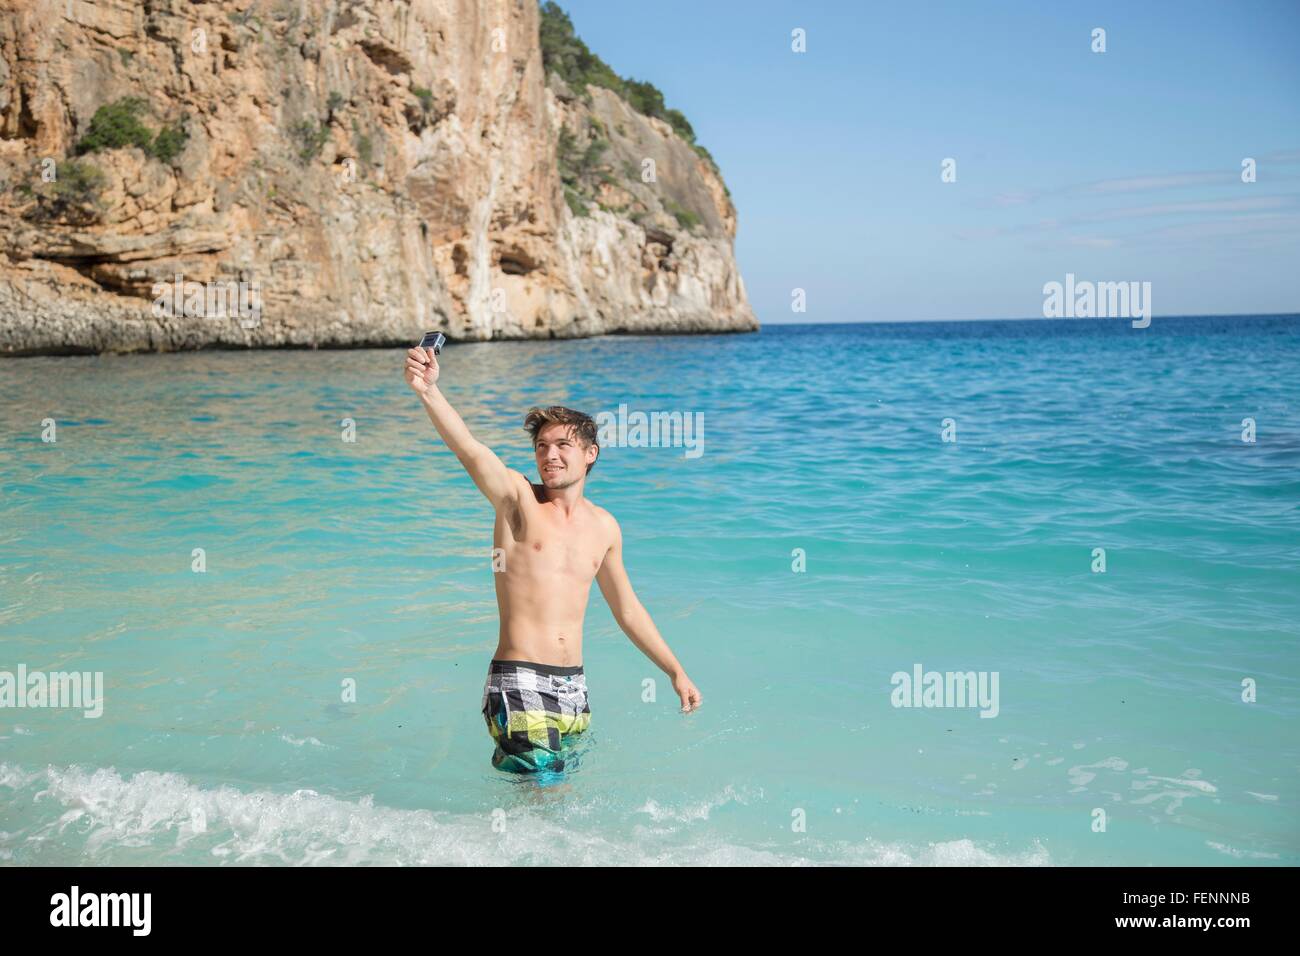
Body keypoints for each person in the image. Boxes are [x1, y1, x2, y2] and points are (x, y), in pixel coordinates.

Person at [403, 344, 702, 774]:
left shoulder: (604, 527)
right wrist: (429, 391)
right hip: (519, 679)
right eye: (542, 446)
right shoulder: (516, 499)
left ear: (591, 454)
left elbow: (628, 610)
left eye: (563, 445)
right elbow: (469, 449)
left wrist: (675, 671)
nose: (550, 455)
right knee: (547, 800)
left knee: (548, 807)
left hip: (574, 689)